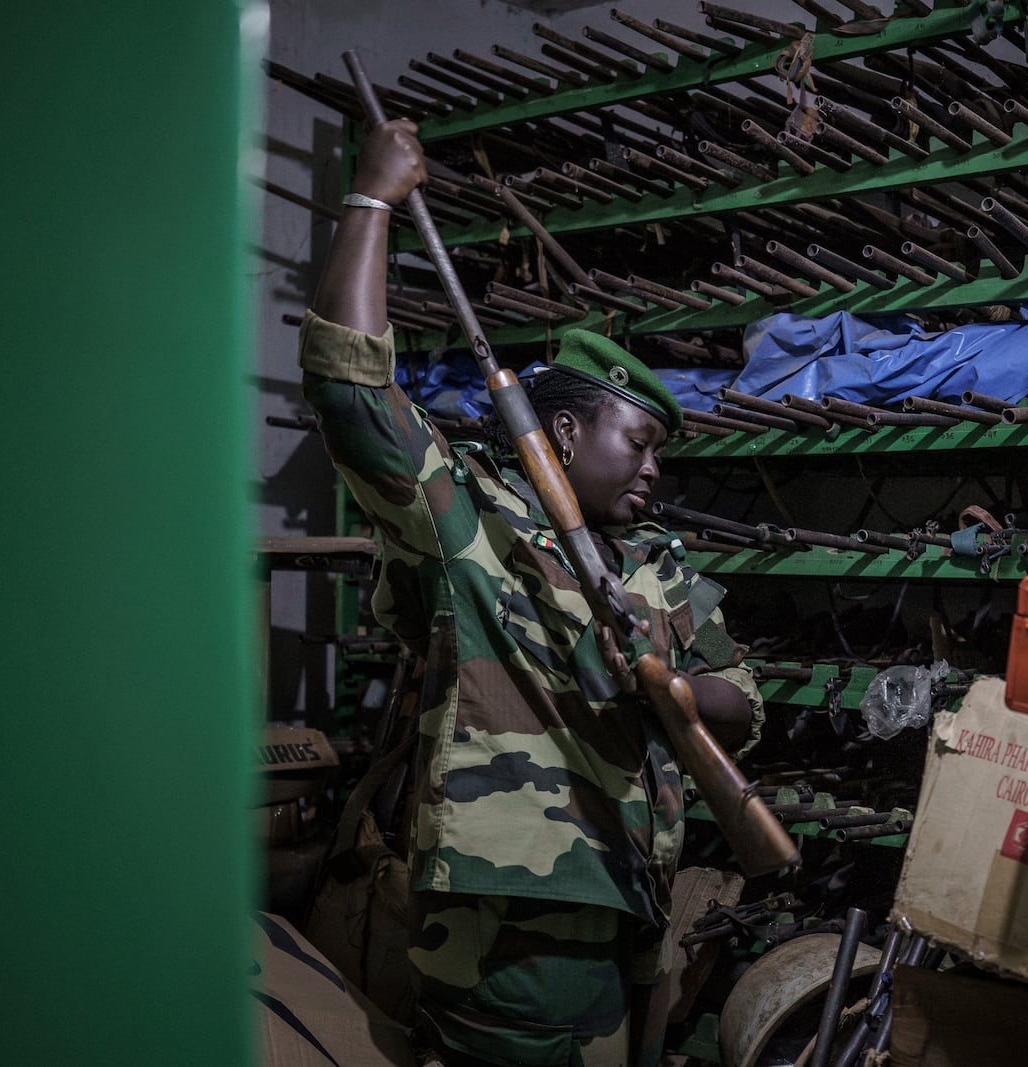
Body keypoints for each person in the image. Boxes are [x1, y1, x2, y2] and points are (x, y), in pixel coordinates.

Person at [299, 118, 765, 1067]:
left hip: (632, 903)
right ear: (560, 430)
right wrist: (373, 201)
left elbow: (743, 704)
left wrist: (669, 673)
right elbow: (350, 390)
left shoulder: (657, 565)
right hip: (515, 915)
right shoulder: (471, 521)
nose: (653, 472)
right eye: (638, 444)